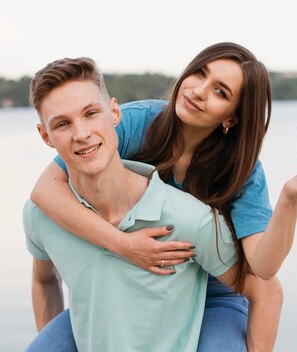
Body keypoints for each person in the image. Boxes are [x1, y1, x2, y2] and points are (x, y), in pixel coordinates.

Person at [29, 43, 297, 351]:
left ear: (232, 118)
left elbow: (264, 269)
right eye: (199, 73)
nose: (199, 91)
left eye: (220, 92)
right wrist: (124, 245)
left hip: (217, 291)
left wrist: (290, 197)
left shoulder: (240, 170)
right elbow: (46, 190)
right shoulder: (139, 122)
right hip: (142, 280)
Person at [25, 57, 243, 351]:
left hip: (217, 290)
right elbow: (43, 280)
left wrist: (291, 200)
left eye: (91, 113)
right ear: (45, 136)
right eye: (62, 124)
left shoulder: (189, 218)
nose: (81, 134)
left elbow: (261, 287)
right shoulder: (41, 216)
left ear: (115, 113)